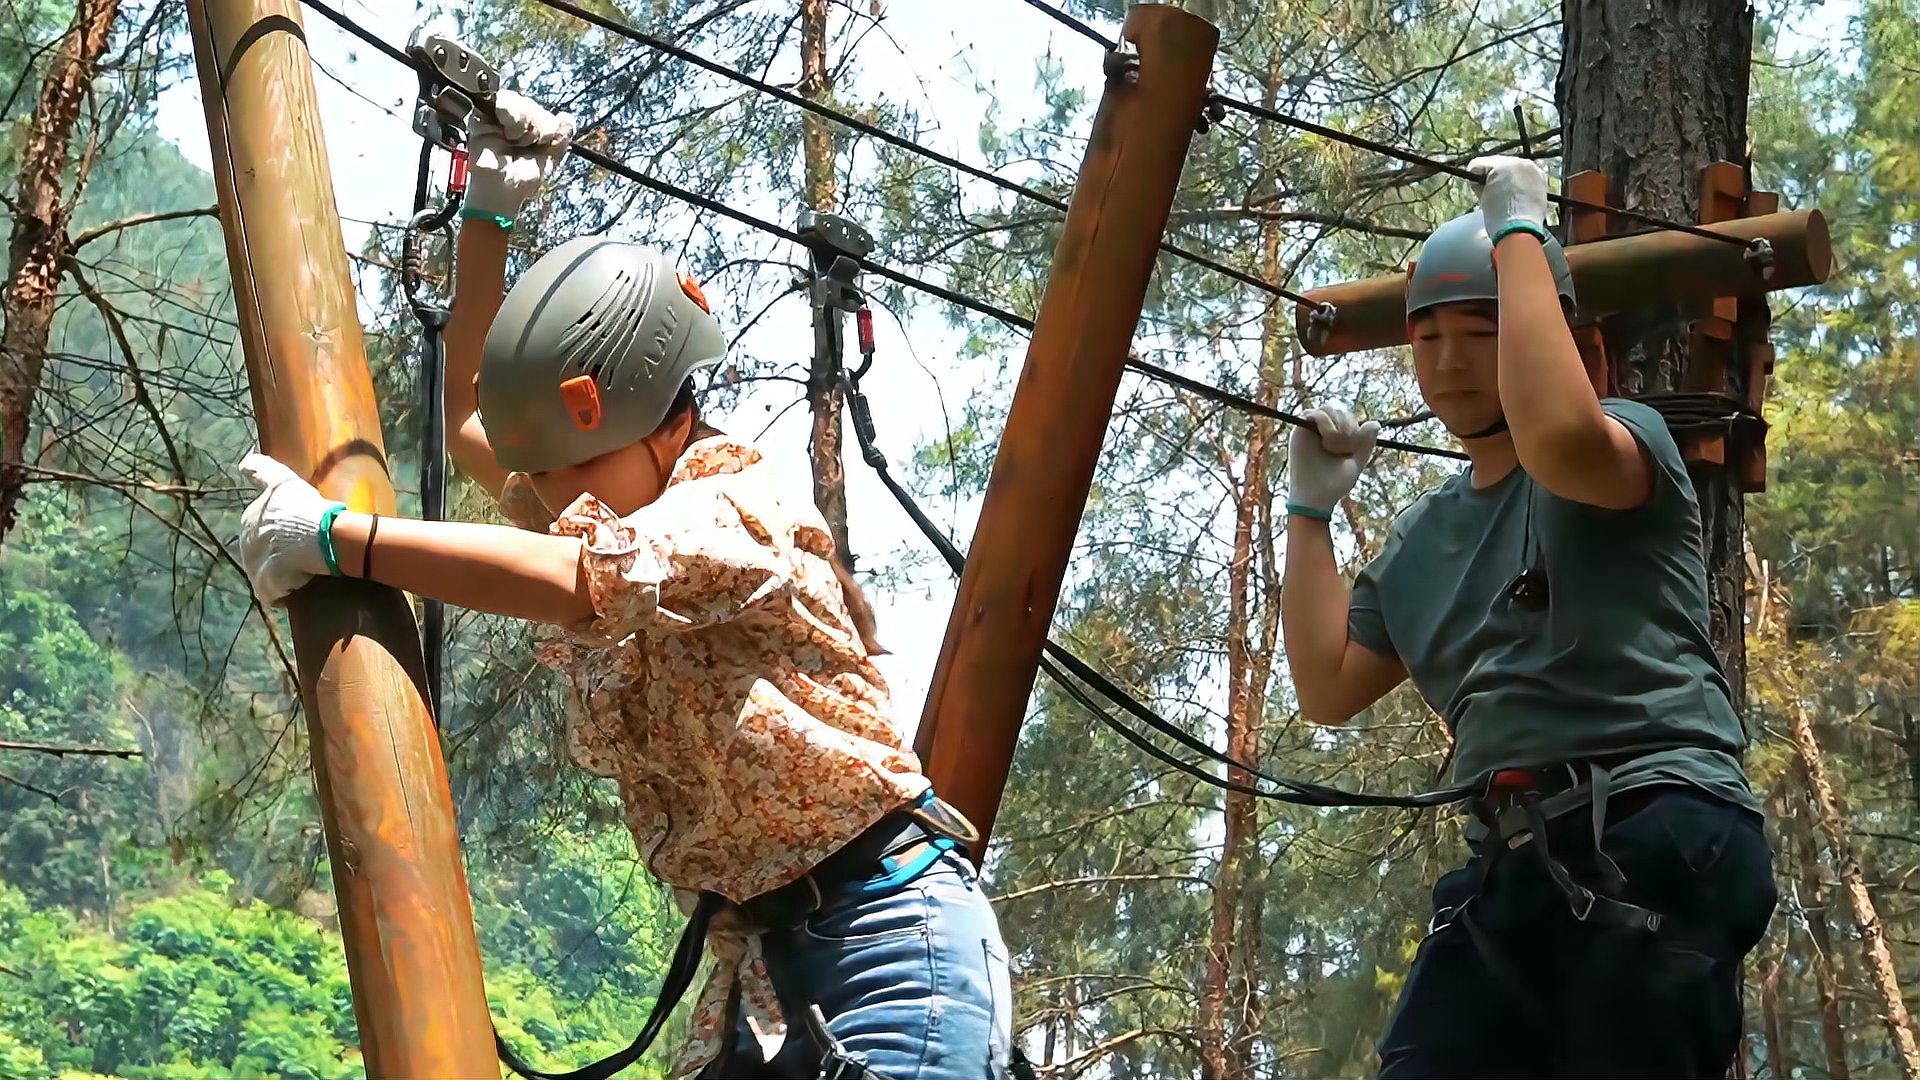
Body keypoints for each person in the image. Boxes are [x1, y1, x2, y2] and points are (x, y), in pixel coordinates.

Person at [234, 91, 1016, 1080]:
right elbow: (480, 418)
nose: (547, 495)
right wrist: (492, 215)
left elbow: (577, 578)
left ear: (648, 421)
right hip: (767, 965)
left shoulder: (733, 507)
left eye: (567, 471)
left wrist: (340, 539)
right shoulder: (614, 487)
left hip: (886, 953)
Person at [1278, 155, 1777, 1077]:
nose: (1450, 360)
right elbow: (1326, 683)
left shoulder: (1626, 441)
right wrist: (1308, 512)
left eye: (1483, 331)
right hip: (1515, 865)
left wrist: (1518, 230)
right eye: (1426, 338)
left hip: (1656, 821)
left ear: (1546, 337)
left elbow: (1554, 433)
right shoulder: (1425, 537)